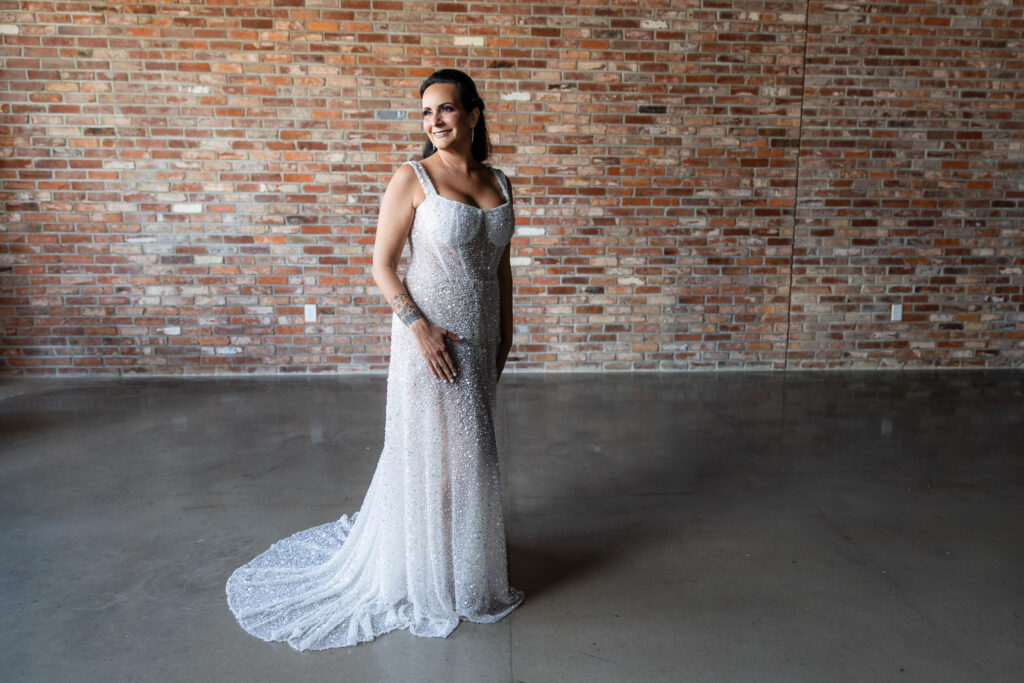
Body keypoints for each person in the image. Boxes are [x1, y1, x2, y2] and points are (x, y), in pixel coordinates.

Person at [225, 69, 524, 651]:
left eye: (445, 109)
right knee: (449, 456)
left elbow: (502, 268)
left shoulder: (500, 181)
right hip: (430, 341)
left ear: (474, 113)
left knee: (468, 459)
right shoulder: (412, 178)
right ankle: (426, 572)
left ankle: (461, 567)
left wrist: (506, 333)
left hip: (482, 337)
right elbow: (382, 265)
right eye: (426, 113)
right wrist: (419, 328)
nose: (434, 121)